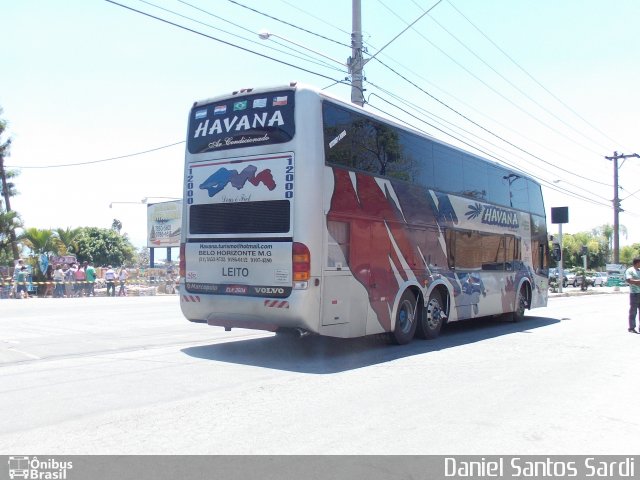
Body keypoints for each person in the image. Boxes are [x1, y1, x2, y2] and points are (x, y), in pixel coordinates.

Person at [625, 257, 640, 333]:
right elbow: (629, 280)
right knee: (633, 311)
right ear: (637, 262)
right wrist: (638, 282)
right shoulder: (630, 270)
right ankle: (631, 328)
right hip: (634, 294)